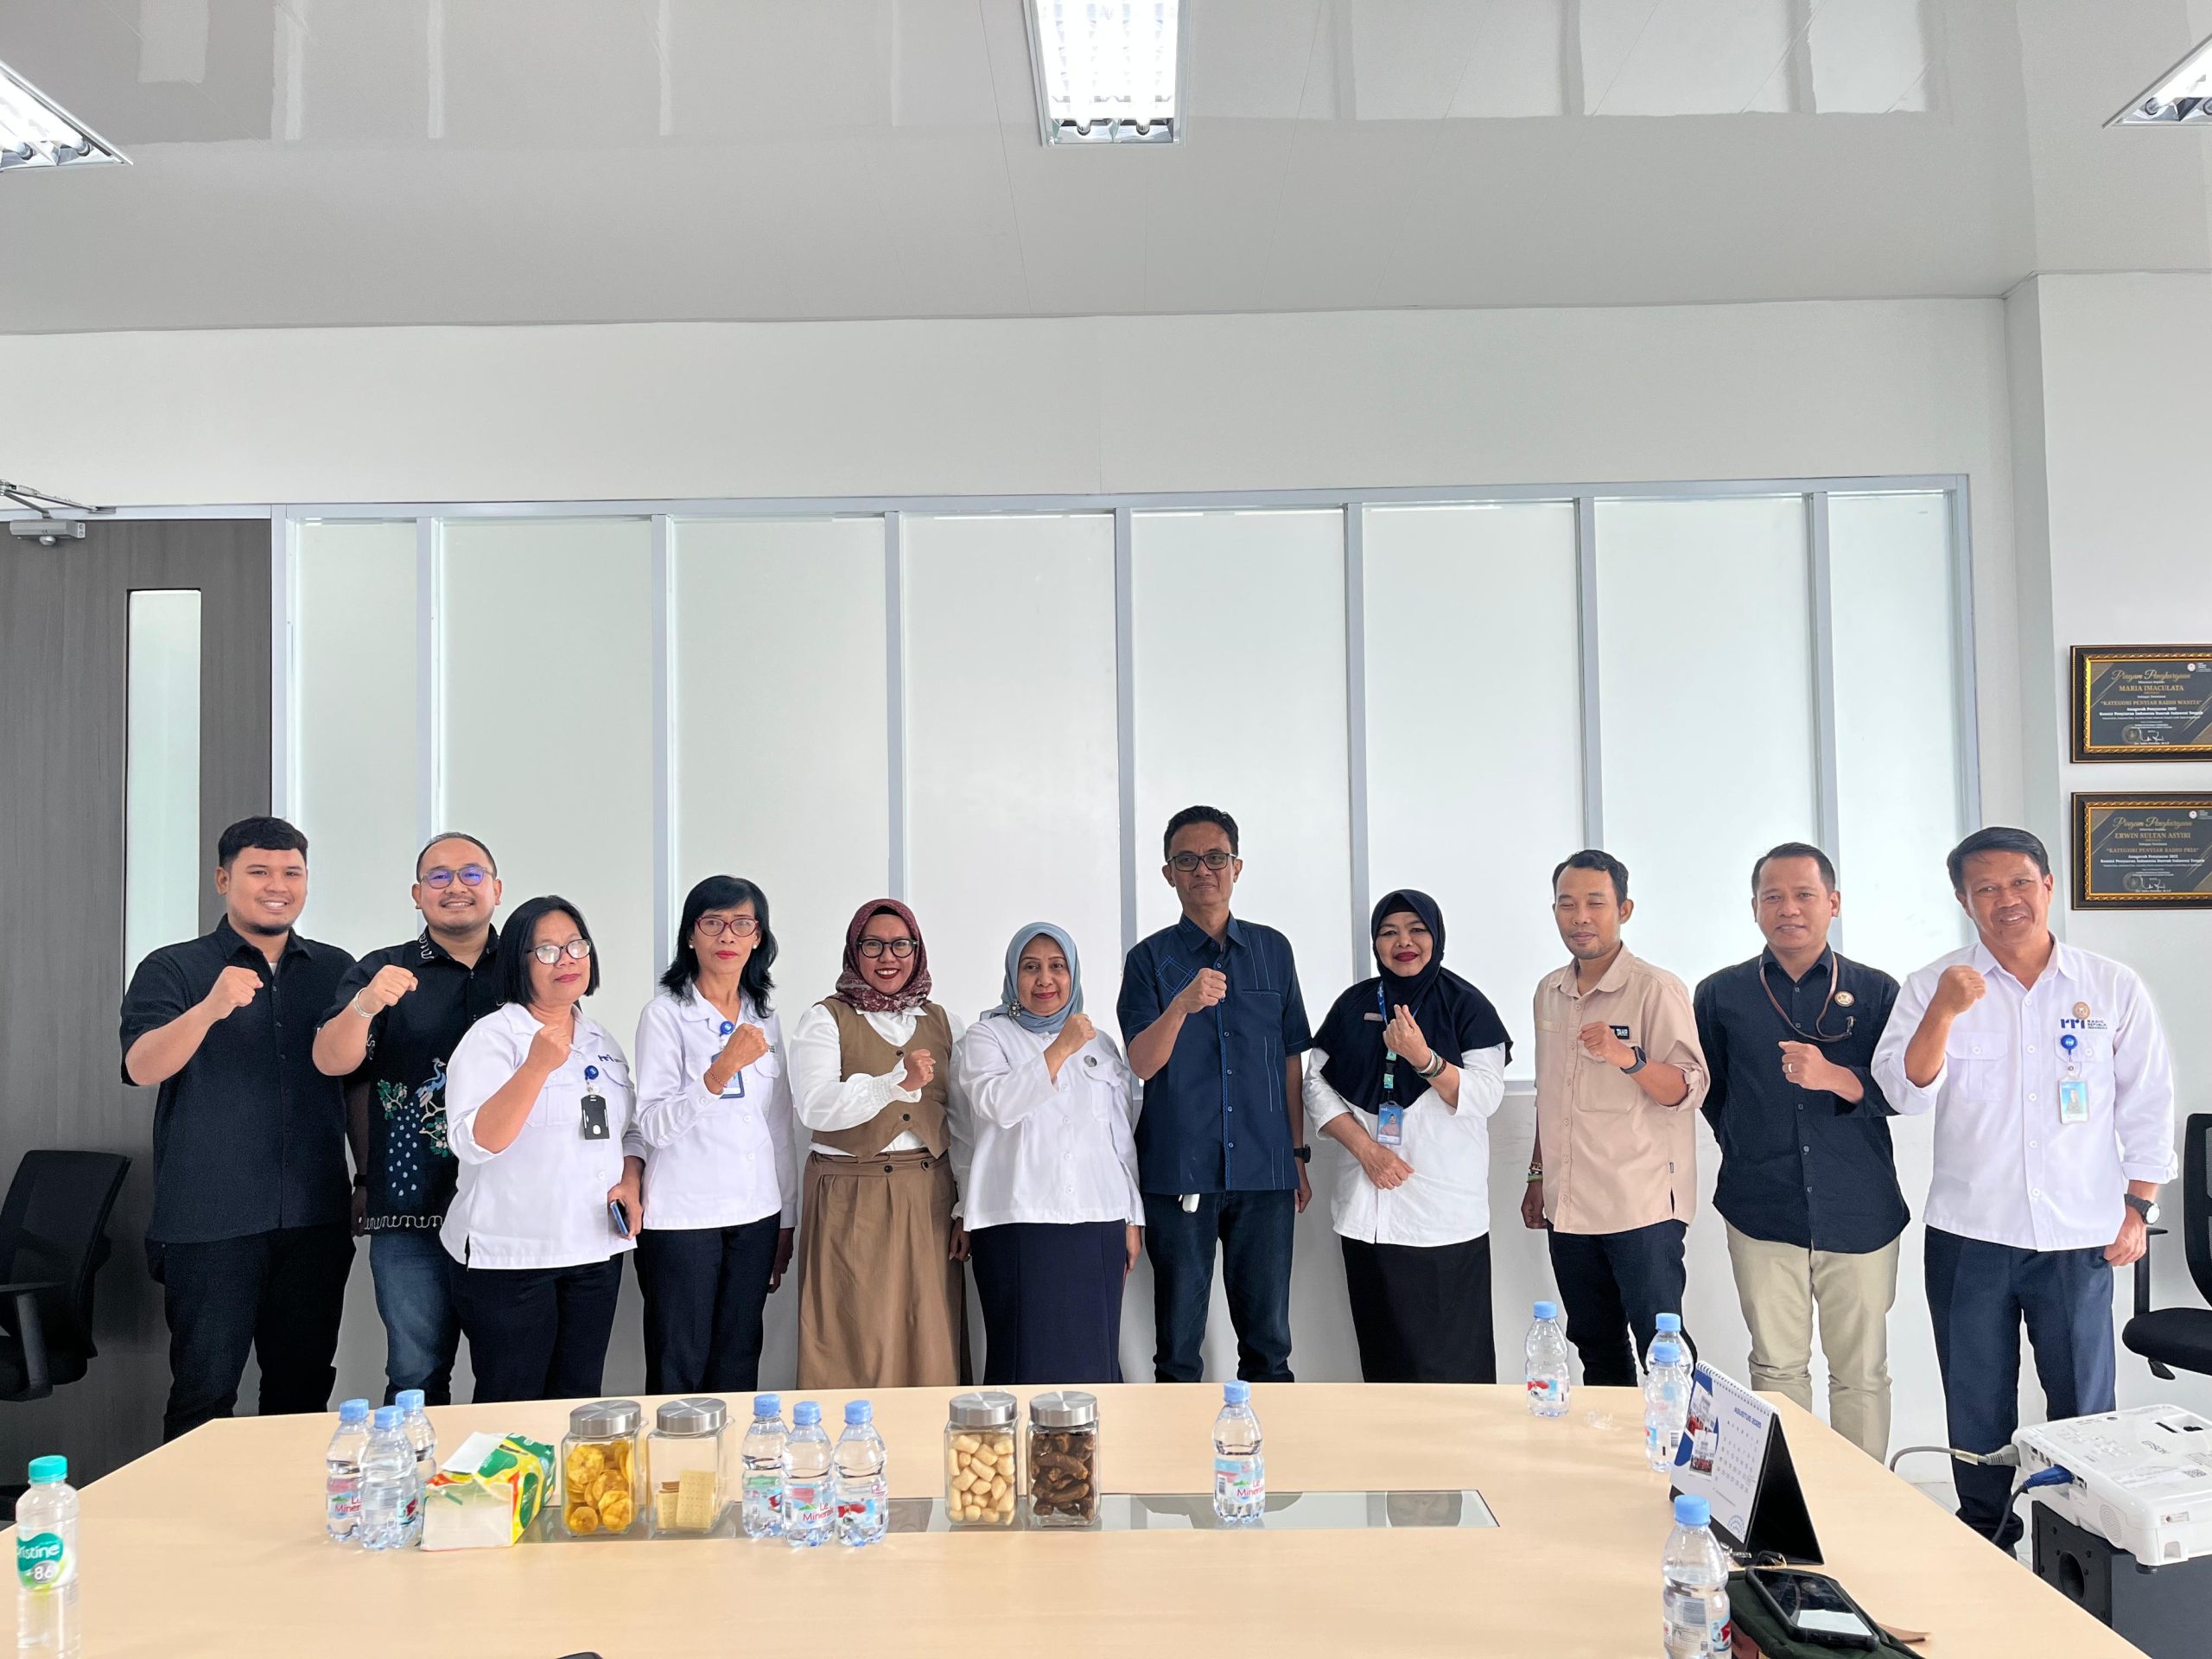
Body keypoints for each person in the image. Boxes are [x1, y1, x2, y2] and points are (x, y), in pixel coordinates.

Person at [1873, 826, 2176, 1550]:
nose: (2005, 899)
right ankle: (1986, 1540)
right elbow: (1903, 1092)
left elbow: (2147, 1101)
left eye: (2018, 882)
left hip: (2079, 1235)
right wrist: (1944, 1011)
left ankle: (2086, 1546)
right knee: (1976, 1403)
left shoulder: (2109, 986)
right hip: (1970, 1233)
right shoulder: (1933, 984)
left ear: (2047, 885)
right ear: (1963, 901)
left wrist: (2138, 1206)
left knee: (2084, 1407)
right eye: (1985, 888)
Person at [119, 817, 357, 1442]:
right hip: (209, 1223)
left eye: (291, 872)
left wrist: (365, 1181)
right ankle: (191, 1511)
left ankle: (290, 1506)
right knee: (204, 1394)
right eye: (259, 871)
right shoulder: (174, 967)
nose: (277, 885)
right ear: (224, 880)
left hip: (313, 1218)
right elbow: (141, 1067)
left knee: (302, 1390)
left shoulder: (336, 969)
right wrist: (210, 1009)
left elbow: (356, 1085)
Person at [1693, 842, 1905, 1461]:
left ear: (1833, 903)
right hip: (1761, 1208)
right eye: (1774, 897)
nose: (1789, 908)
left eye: (1804, 895)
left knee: (1861, 1372)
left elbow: (1902, 1092)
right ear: (1755, 908)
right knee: (1775, 1367)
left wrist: (1833, 1077)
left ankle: (1859, 1503)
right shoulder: (1721, 994)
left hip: (1859, 1208)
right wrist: (1750, 1147)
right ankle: (1789, 1499)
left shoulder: (1876, 991)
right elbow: (1712, 1092)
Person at [1118, 804, 1313, 1384]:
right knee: (1178, 1348)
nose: (1202, 870)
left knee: (1269, 1345)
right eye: (1186, 860)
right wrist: (1181, 1005)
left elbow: (1291, 1060)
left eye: (1215, 858)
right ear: (1168, 874)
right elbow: (1142, 1063)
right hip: (1180, 1167)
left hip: (1265, 1169)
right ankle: (1177, 1445)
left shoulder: (1274, 951)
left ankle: (1266, 1445)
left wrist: (1297, 1155)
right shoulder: (1149, 960)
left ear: (1237, 866)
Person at [310, 832, 505, 1407]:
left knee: (511, 1375)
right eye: (438, 876)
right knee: (416, 1374)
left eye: (471, 874)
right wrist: (366, 1004)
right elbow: (331, 1060)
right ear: (417, 895)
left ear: (496, 889)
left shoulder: (527, 969)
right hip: (409, 1206)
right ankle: (417, 1468)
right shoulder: (381, 970)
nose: (455, 886)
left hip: (511, 1208)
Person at [442, 895, 644, 1404]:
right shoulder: (492, 1038)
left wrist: (631, 1180)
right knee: (513, 1404)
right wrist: (535, 1067)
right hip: (512, 1257)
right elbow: (473, 1142)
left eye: (576, 946)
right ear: (519, 962)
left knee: (579, 1400)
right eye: (548, 951)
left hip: (594, 1250)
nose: (567, 960)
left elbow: (629, 1131)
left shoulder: (601, 1040)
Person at [1304, 890, 1512, 1383]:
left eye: (1417, 930)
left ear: (1436, 937)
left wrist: (1425, 1060)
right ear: (1375, 942)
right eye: (1389, 932)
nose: (1404, 942)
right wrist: (1366, 1149)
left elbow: (1486, 1095)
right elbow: (1314, 1082)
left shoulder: (1466, 1004)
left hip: (1441, 1216)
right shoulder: (1355, 1004)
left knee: (1450, 1364)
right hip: (1366, 1213)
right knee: (1384, 1360)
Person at [1523, 849, 1709, 1388]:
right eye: (1567, 904)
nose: (1580, 917)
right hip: (1568, 1206)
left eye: (1595, 903)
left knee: (1663, 1349)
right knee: (1594, 1345)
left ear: (1624, 910)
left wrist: (1628, 1058)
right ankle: (1610, 1442)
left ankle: (1675, 1441)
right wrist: (1537, 1177)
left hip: (1640, 1205)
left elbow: (1689, 1089)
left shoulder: (1656, 988)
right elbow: (1550, 1097)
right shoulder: (1549, 992)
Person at [786, 898, 967, 1389]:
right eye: (873, 945)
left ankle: (924, 1434)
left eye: (900, 945)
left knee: (925, 1335)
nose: (888, 957)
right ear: (854, 950)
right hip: (851, 1195)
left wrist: (965, 1208)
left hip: (929, 1198)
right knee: (854, 1336)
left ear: (917, 950)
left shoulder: (943, 1022)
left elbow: (964, 1122)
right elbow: (815, 1107)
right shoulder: (825, 1020)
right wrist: (893, 1083)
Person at [952, 924, 1142, 1386]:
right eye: (1030, 967)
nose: (1045, 980)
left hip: (1098, 1220)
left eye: (1057, 967)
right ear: (1012, 975)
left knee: (1095, 1363)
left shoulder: (1101, 1044)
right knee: (1021, 1361)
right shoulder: (986, 1036)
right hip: (1016, 1220)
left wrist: (1132, 1217)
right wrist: (1061, 1048)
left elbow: (1119, 1137)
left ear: (1073, 974)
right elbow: (998, 1106)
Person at [631, 875, 798, 1395]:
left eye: (742, 923)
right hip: (684, 1219)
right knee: (679, 1362)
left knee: (739, 1356)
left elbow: (778, 1125)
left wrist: (786, 1219)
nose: (728, 935)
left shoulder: (764, 1017)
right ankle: (676, 1453)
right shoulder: (665, 1015)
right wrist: (719, 1071)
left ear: (758, 937)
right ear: (690, 935)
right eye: (712, 923)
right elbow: (653, 1124)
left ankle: (736, 1451)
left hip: (755, 1214)